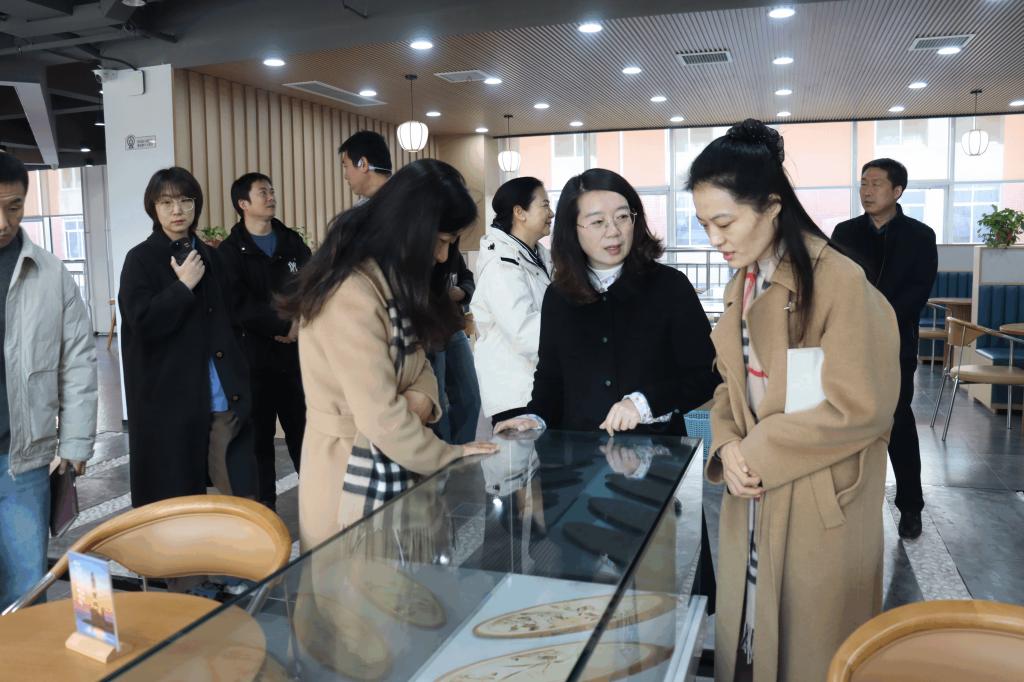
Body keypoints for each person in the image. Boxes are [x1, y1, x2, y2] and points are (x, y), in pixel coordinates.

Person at [687, 120, 900, 682]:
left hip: (817, 503)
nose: (714, 238)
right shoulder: (743, 281)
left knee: (811, 650)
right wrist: (726, 444)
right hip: (753, 493)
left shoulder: (838, 281)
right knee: (751, 640)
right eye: (705, 224)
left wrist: (754, 452)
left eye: (724, 222)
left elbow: (861, 406)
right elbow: (728, 386)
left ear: (772, 207)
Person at [279, 159, 497, 551]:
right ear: (410, 229)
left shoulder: (389, 282)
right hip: (351, 480)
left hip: (396, 460)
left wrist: (416, 399)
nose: (443, 256)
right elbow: (381, 415)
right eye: (441, 241)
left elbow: (421, 367)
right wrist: (447, 452)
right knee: (358, 585)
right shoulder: (350, 293)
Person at [494, 168, 720, 436]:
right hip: (579, 452)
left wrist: (646, 403)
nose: (614, 231)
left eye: (622, 217)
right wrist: (535, 417)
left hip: (658, 450)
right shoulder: (558, 296)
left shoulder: (670, 286)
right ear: (572, 229)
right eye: (598, 222)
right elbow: (550, 379)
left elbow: (706, 375)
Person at [119, 167, 257, 509]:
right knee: (177, 503)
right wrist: (183, 287)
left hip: (221, 398)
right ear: (153, 208)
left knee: (237, 500)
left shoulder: (212, 257)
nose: (177, 210)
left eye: (185, 200)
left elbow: (232, 321)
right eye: (166, 202)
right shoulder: (140, 259)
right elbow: (141, 322)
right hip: (170, 405)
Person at [0, 153, 97, 612]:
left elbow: (77, 361)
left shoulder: (50, 273)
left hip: (22, 460)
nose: (4, 222)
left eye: (14, 206)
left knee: (25, 585)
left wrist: (75, 442)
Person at [832, 158, 937, 540]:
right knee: (845, 420)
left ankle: (910, 506)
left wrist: (878, 321)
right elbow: (833, 284)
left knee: (898, 421)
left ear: (897, 190)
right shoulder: (845, 232)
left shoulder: (919, 236)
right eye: (863, 183)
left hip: (895, 345)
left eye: (876, 183)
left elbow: (918, 291)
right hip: (847, 343)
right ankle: (847, 501)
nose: (867, 190)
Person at [220, 172, 311, 510]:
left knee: (305, 435)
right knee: (259, 442)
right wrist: (282, 325)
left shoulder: (291, 241)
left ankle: (318, 505)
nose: (271, 197)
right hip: (254, 361)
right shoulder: (230, 252)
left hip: (295, 360)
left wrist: (299, 321)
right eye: (263, 192)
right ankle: (265, 513)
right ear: (243, 203)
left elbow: (311, 283)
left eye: (271, 191)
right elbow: (237, 304)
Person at [471, 177, 554, 426]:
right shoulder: (500, 265)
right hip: (517, 393)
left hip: (537, 385)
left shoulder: (538, 255)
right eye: (545, 205)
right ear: (520, 213)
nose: (551, 213)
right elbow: (524, 333)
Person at [429, 245, 482, 444]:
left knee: (471, 396)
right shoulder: (412, 244)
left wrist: (462, 292)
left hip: (453, 327)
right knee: (437, 405)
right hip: (427, 332)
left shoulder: (450, 247)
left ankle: (463, 454)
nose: (443, 255)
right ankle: (444, 456)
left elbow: (467, 277)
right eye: (443, 240)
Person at [339, 130, 392, 201]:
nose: (345, 176)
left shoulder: (403, 201)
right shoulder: (363, 205)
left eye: (346, 166)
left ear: (363, 164)